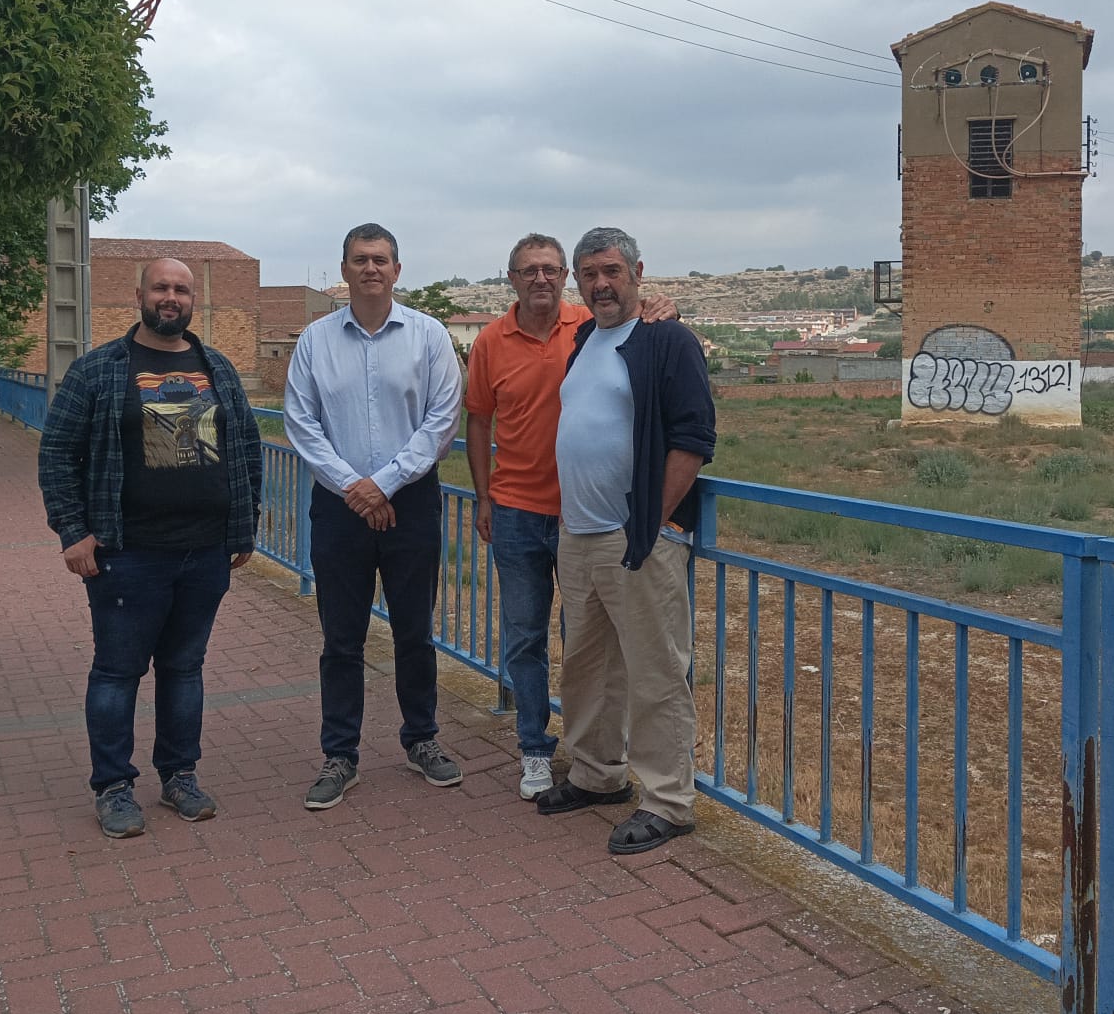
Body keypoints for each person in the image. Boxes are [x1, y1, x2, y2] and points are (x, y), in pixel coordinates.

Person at [38, 257, 263, 839]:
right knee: (117, 672)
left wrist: (242, 528)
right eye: (161, 287)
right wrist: (72, 532)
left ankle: (179, 777)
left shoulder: (217, 368)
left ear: (193, 301)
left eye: (182, 290)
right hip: (127, 552)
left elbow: (246, 448)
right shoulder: (98, 371)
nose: (171, 297)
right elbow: (57, 453)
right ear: (139, 294)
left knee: (185, 669)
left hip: (205, 551)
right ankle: (113, 787)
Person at [464, 234, 676, 800]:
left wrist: (666, 310)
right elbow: (479, 422)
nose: (541, 279)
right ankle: (535, 749)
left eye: (551, 270)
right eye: (529, 270)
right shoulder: (490, 341)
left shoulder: (587, 325)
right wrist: (483, 497)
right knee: (525, 638)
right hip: (515, 510)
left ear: (565, 279)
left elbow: (643, 326)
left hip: (584, 518)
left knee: (590, 649)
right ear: (511, 277)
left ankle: (603, 763)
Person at [536, 228, 715, 855]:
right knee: (588, 669)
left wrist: (656, 519)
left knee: (656, 672)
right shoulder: (585, 337)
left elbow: (693, 438)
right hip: (580, 534)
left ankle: (669, 802)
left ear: (637, 271)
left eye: (611, 270)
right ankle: (596, 775)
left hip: (636, 537)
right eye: (588, 274)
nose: (600, 284)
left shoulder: (667, 339)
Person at [284, 223, 465, 810]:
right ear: (344, 270)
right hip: (338, 508)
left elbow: (441, 421)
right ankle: (340, 754)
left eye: (381, 259)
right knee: (341, 638)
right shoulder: (314, 340)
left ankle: (422, 739)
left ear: (397, 270)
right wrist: (353, 487)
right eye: (360, 259)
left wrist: (382, 484)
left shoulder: (429, 336)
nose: (371, 269)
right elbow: (300, 422)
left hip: (409, 503)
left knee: (414, 630)